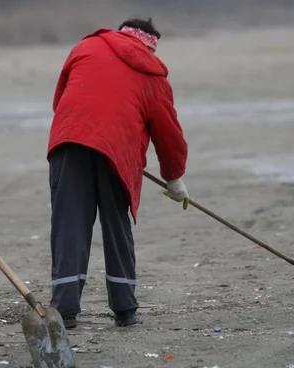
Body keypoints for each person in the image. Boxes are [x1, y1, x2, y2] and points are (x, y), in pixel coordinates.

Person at [46, 17, 190, 329]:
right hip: (116, 152)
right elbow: (168, 134)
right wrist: (174, 177)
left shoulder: (84, 48)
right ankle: (125, 310)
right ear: (150, 45)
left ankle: (65, 311)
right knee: (116, 226)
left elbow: (60, 100)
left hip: (70, 140)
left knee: (69, 226)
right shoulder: (153, 76)